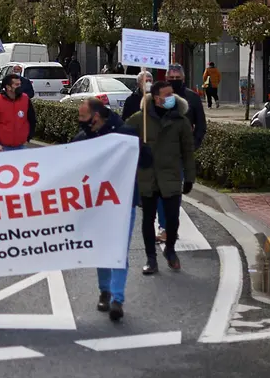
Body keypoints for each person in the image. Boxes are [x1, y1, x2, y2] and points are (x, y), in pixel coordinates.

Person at [72, 98, 151, 321]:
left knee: (118, 251)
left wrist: (141, 147)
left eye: (83, 117)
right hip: (95, 205)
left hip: (122, 203)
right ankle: (104, 290)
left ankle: (117, 298)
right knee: (102, 249)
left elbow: (146, 161)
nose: (80, 121)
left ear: (96, 117)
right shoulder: (82, 139)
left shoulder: (125, 135)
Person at [125, 81, 196, 275]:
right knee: (148, 219)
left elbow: (187, 151)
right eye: (166, 94)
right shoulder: (140, 120)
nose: (171, 97)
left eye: (172, 94)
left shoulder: (180, 121)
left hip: (171, 176)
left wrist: (189, 177)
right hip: (147, 177)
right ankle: (151, 259)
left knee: (172, 219)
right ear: (156, 98)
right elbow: (123, 140)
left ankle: (170, 250)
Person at [158, 64, 206, 243]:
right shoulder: (159, 97)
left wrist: (192, 146)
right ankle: (164, 226)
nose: (174, 79)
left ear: (183, 78)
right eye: (171, 77)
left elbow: (201, 126)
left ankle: (169, 228)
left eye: (177, 77)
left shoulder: (193, 98)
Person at [0, 74, 36, 152]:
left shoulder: (25, 99)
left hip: (21, 146)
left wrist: (28, 138)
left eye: (20, 84)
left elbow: (32, 120)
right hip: (2, 147)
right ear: (8, 87)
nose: (20, 87)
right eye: (16, 85)